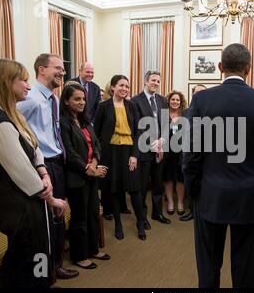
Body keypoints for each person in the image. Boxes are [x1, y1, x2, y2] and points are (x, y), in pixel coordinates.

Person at [184, 43, 254, 288]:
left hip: (209, 192)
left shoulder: (201, 100)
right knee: (245, 265)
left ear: (220, 67)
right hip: (248, 194)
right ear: (249, 69)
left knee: (208, 263)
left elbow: (191, 154)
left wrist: (193, 190)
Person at [0, 59, 67, 287]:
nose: (28, 86)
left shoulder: (12, 114)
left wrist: (43, 171)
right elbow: (21, 171)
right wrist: (51, 198)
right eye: (23, 80)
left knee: (37, 255)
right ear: (6, 82)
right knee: (28, 261)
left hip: (32, 204)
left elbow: (35, 146)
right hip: (20, 209)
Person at [17, 53, 79, 281]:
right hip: (43, 167)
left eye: (63, 69)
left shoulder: (52, 98)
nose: (62, 72)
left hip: (57, 163)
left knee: (58, 216)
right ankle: (46, 273)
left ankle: (56, 266)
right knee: (45, 223)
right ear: (42, 70)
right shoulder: (31, 99)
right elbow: (13, 127)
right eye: (58, 68)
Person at [59, 83, 111, 269]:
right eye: (77, 99)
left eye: (83, 99)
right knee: (79, 217)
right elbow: (69, 152)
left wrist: (95, 165)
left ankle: (93, 249)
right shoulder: (63, 123)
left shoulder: (85, 121)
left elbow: (96, 144)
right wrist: (87, 168)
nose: (82, 102)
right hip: (76, 177)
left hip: (92, 175)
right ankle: (79, 256)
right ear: (66, 101)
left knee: (92, 214)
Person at [94, 75, 147, 240]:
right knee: (115, 190)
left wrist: (134, 155)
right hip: (110, 153)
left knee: (135, 190)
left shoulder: (132, 106)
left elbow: (138, 133)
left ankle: (140, 222)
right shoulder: (104, 106)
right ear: (113, 88)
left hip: (129, 152)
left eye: (127, 86)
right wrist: (98, 157)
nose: (124, 89)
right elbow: (96, 132)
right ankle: (118, 224)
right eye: (121, 85)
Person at [131, 70, 171, 226]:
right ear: (146, 81)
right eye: (153, 80)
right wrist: (151, 143)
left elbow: (166, 124)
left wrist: (162, 140)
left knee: (158, 183)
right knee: (142, 186)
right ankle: (142, 217)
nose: (156, 83)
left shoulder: (162, 100)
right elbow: (136, 127)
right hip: (144, 150)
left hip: (160, 149)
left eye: (158, 81)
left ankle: (157, 213)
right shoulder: (135, 101)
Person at [180, 84, 207, 222]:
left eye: (202, 92)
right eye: (197, 92)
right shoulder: (185, 112)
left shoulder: (210, 111)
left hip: (205, 155)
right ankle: (192, 210)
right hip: (188, 154)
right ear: (192, 94)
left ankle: (203, 212)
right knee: (189, 183)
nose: (199, 95)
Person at [164, 90, 187, 216]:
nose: (175, 102)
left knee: (180, 177)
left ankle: (180, 203)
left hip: (181, 151)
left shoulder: (185, 115)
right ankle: (171, 202)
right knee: (167, 176)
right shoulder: (163, 114)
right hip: (167, 151)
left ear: (181, 102)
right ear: (169, 101)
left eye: (177, 100)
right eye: (173, 99)